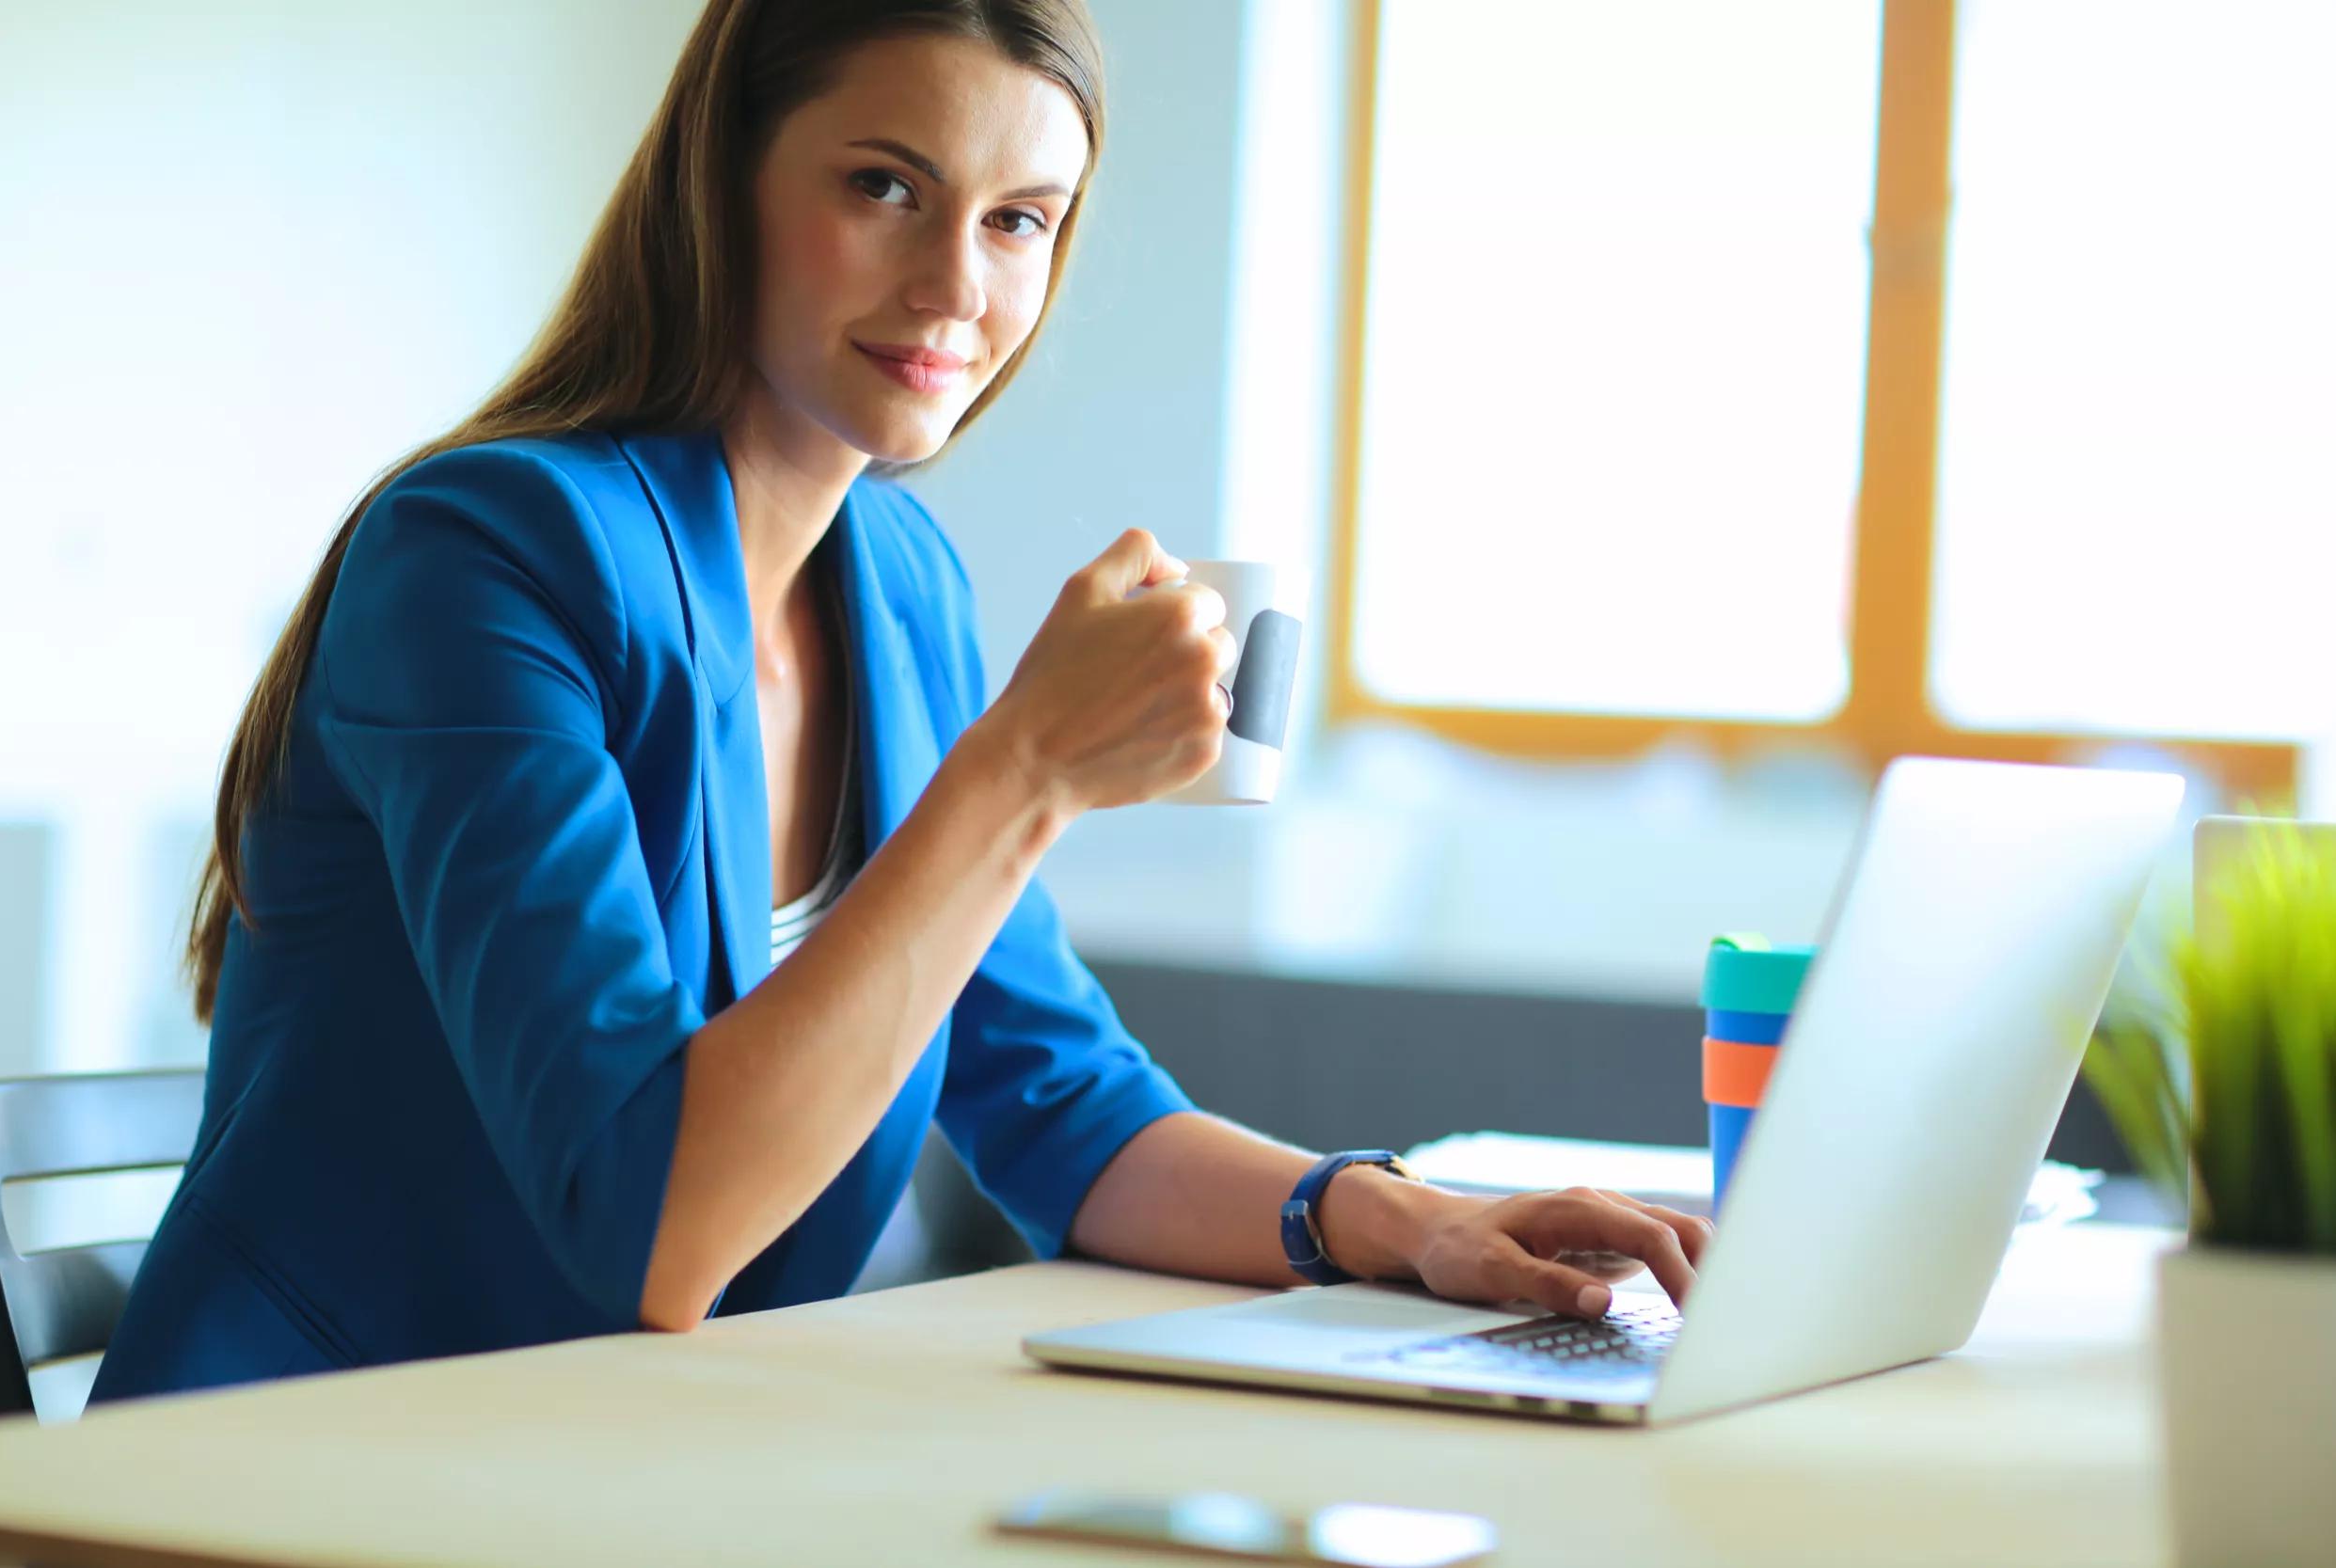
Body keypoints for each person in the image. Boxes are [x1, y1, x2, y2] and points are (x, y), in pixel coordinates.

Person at [92, 0, 1709, 1402]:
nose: (956, 287)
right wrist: (1024, 774)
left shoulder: (900, 580)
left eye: (1021, 221)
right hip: (310, 1470)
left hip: (635, 1458)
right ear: (724, 179)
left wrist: (1396, 1219)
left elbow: (1057, 1097)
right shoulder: (484, 557)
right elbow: (652, 1227)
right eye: (885, 187)